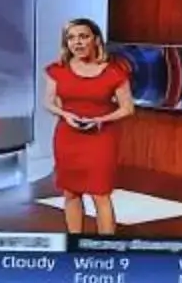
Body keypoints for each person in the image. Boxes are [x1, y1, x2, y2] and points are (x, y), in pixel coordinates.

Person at [41, 17, 135, 237]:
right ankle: (76, 243)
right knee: (71, 193)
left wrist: (100, 120)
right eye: (71, 38)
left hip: (100, 138)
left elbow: (128, 108)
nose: (77, 42)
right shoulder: (58, 70)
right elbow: (48, 102)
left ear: (95, 40)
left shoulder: (114, 71)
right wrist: (66, 115)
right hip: (67, 136)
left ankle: (105, 247)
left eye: (83, 36)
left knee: (100, 194)